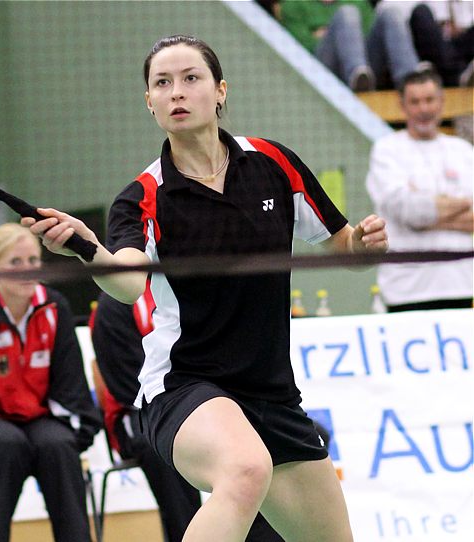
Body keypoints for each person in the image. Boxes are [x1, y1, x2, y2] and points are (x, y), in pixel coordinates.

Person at [23, 35, 388, 541]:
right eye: (162, 83)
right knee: (244, 469)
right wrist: (90, 249)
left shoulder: (272, 164)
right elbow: (129, 283)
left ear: (220, 91)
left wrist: (365, 245)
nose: (177, 92)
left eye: (191, 79)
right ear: (148, 102)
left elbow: (343, 248)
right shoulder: (143, 197)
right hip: (185, 387)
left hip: (272, 393)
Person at [0, 223, 102, 542]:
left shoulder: (54, 308)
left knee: (58, 444)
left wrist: (77, 432)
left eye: (33, 261)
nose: (27, 270)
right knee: (5, 443)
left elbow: (72, 385)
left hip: (41, 419)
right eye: (16, 263)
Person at [90, 291, 203, 542]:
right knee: (165, 442)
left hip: (199, 400)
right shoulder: (113, 304)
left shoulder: (181, 287)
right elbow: (126, 386)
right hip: (138, 411)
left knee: (263, 428)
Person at [366, 69, 473, 312]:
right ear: (402, 105)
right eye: (415, 102)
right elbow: (408, 211)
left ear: (442, 102)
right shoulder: (387, 150)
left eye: (429, 100)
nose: (423, 109)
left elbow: (416, 214)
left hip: (460, 284)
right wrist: (463, 204)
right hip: (405, 290)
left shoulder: (463, 151)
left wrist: (425, 209)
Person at [280, 0, 420, 91]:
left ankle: (412, 83)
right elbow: (301, 48)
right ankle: (356, 74)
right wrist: (338, 34)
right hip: (322, 70)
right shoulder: (292, 4)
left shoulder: (359, 2)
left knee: (391, 12)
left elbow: (370, 39)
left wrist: (328, 32)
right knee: (347, 13)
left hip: (368, 71)